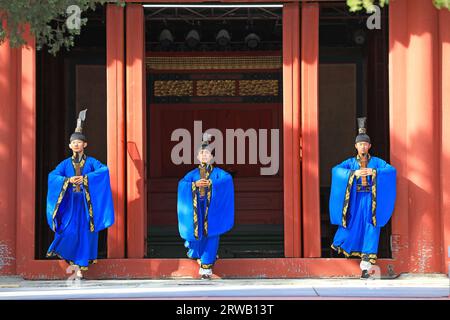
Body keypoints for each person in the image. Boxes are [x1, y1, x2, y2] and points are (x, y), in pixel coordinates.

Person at [46, 109, 115, 280]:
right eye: (73, 142)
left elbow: (104, 171)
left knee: (85, 234)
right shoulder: (65, 164)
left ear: (85, 144)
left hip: (86, 205)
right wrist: (68, 181)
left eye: (79, 142)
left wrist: (85, 179)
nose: (76, 145)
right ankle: (73, 263)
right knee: (67, 231)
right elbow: (53, 176)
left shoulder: (91, 162)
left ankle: (80, 268)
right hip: (70, 204)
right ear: (70, 146)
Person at [329, 117, 396, 279]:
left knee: (371, 228)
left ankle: (366, 267)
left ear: (370, 146)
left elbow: (391, 171)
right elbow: (336, 170)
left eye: (365, 144)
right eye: (360, 144)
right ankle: (341, 246)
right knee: (350, 225)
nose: (363, 147)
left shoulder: (377, 162)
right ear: (356, 146)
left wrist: (375, 172)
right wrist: (353, 174)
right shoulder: (350, 162)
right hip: (355, 201)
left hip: (372, 202)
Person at [177, 138, 234, 279]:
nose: (204, 156)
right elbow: (182, 185)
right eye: (201, 153)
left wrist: (212, 183)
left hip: (212, 209)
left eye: (207, 153)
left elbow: (227, 180)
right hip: (196, 208)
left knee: (212, 233)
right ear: (197, 157)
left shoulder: (219, 173)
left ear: (212, 157)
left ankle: (206, 267)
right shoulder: (192, 175)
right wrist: (194, 184)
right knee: (196, 233)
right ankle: (201, 256)